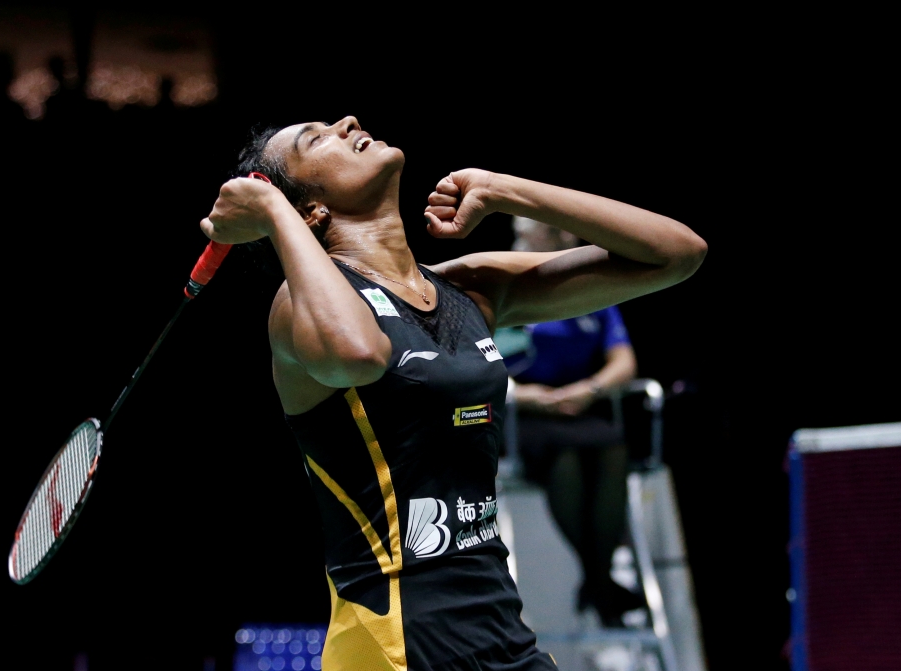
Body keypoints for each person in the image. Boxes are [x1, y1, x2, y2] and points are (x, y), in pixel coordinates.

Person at [200, 116, 707, 670]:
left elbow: (676, 254)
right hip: (396, 640)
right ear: (311, 211)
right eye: (316, 138)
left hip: (497, 626)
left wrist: (505, 191)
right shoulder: (298, 309)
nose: (347, 122)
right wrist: (275, 216)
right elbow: (360, 354)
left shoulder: (468, 290)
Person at [507, 216, 644, 627]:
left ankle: (595, 581)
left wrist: (592, 390)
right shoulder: (503, 288)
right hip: (525, 414)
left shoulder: (592, 293)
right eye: (516, 236)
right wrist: (525, 396)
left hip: (579, 404)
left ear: (559, 237)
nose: (518, 243)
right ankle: (601, 583)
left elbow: (624, 362)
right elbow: (479, 361)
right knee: (564, 459)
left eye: (527, 235)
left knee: (613, 449)